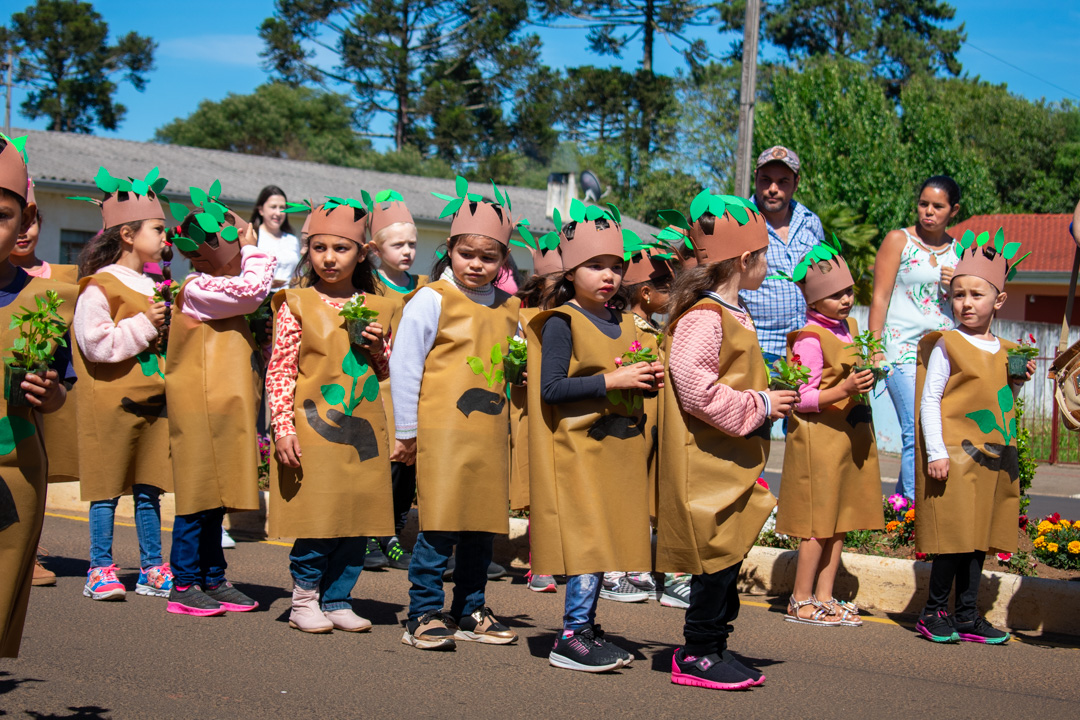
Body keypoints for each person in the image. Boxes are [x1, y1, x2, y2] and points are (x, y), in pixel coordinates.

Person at [656, 191, 796, 691]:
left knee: (726, 559)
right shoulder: (704, 316)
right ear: (744, 260)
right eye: (764, 259)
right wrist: (761, 404)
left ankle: (713, 645)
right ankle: (696, 651)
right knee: (713, 565)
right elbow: (693, 387)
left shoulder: (730, 312)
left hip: (727, 463)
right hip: (706, 465)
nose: (768, 268)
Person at [527, 201, 662, 672]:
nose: (608, 275)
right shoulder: (563, 321)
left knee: (604, 540)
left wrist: (648, 375)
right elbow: (552, 389)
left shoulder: (622, 321)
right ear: (570, 271)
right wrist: (614, 381)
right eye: (595, 266)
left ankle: (586, 626)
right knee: (587, 541)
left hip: (618, 450)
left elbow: (627, 373)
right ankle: (570, 635)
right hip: (578, 452)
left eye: (615, 267)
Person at [391, 177, 520, 651]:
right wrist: (406, 431)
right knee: (440, 524)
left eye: (489, 258)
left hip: (489, 436)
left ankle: (470, 608)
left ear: (503, 261)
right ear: (450, 249)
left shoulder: (512, 308)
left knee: (481, 527)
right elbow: (405, 366)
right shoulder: (431, 299)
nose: (477, 265)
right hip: (442, 433)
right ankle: (422, 612)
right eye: (468, 255)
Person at [267, 198, 397, 634]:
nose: (328, 257)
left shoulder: (377, 307)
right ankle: (305, 600)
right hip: (313, 427)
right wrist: (281, 427)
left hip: (361, 430)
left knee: (356, 516)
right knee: (319, 516)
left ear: (362, 253)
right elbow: (281, 369)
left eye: (340, 249)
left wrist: (378, 348)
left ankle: (339, 597)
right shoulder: (297, 303)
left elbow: (385, 372)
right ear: (308, 251)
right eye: (319, 247)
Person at [913, 229, 1032, 645]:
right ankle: (933, 611)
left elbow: (1001, 401)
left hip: (992, 459)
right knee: (953, 538)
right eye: (959, 294)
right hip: (955, 457)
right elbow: (931, 400)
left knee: (977, 538)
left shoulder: (1005, 348)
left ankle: (966, 614)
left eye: (976, 295)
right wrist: (936, 451)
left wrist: (1017, 382)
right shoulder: (948, 344)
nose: (965, 302)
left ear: (997, 300)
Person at [164, 184, 276, 616]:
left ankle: (212, 576)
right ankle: (184, 582)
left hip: (224, 404)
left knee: (217, 495)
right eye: (240, 232)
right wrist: (255, 250)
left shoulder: (220, 288)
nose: (247, 236)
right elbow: (252, 291)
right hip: (200, 406)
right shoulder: (197, 289)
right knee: (198, 494)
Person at [71, 166, 174, 602]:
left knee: (149, 486)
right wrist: (144, 324)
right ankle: (100, 567)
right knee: (107, 487)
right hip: (112, 403)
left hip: (153, 401)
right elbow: (95, 344)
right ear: (128, 235)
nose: (166, 238)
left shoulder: (154, 284)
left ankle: (151, 567)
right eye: (158, 229)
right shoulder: (99, 286)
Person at [773, 239, 884, 627]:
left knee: (840, 521)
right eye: (835, 294)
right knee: (816, 524)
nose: (846, 300)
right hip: (819, 441)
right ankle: (799, 598)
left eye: (849, 291)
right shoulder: (809, 338)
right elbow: (800, 396)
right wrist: (845, 390)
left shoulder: (850, 329)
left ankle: (824, 596)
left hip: (848, 439)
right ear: (813, 300)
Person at [0, 133, 75, 657]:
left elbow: (60, 391)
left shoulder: (44, 300)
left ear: (26, 224)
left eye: (0, 214)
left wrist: (49, 395)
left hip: (15, 469)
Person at [868, 176, 962, 501]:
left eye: (938, 206)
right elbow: (879, 297)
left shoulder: (960, 253)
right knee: (917, 428)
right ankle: (913, 515)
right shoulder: (899, 241)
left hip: (941, 353)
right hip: (900, 350)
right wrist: (874, 348)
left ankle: (899, 508)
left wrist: (958, 285)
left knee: (930, 429)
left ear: (954, 210)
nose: (928, 212)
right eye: (924, 204)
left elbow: (967, 306)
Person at [599, 246, 675, 605]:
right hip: (629, 420)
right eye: (667, 288)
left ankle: (635, 562)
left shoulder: (657, 330)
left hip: (654, 422)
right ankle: (612, 569)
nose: (673, 296)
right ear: (646, 292)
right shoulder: (625, 328)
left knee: (644, 488)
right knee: (622, 487)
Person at [14, 178, 81, 586]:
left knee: (28, 473)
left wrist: (54, 387)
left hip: (29, 403)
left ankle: (27, 551)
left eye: (31, 219)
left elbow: (63, 361)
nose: (23, 230)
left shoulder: (55, 283)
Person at [365, 189, 427, 572]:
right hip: (380, 387)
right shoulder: (369, 287)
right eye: (398, 244)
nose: (407, 251)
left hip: (417, 389)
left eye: (412, 244)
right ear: (375, 248)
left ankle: (395, 533)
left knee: (409, 466)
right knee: (385, 462)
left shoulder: (423, 286)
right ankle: (374, 536)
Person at [508, 224, 562, 594]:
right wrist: (518, 370)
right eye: (553, 284)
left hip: (567, 410)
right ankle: (539, 559)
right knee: (538, 486)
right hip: (530, 409)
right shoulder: (520, 315)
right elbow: (508, 357)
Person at [740, 146, 825, 365]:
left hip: (808, 346)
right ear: (756, 178)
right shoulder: (740, 221)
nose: (773, 189)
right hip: (759, 348)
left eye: (783, 181)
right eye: (766, 180)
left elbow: (825, 278)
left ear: (796, 183)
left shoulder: (810, 222)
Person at [251, 185, 300, 290]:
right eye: (273, 207)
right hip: (258, 300)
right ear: (261, 210)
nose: (278, 213)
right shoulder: (252, 236)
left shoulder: (292, 240)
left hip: (286, 300)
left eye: (282, 208)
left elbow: (297, 276)